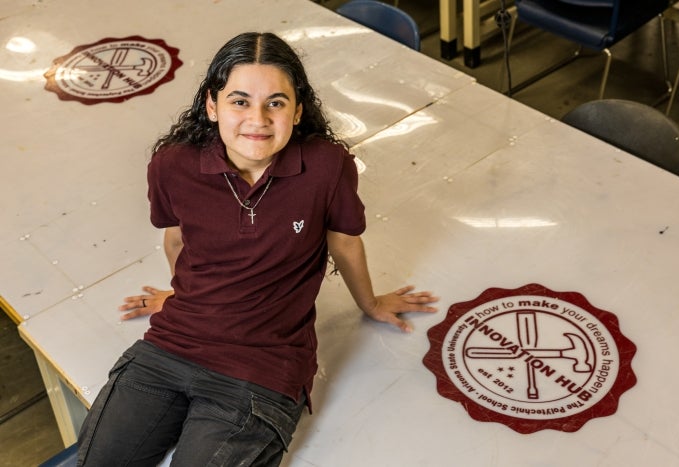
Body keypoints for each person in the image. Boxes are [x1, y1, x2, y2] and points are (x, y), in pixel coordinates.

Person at [76, 32, 438, 467]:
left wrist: (371, 302)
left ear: (298, 110)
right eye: (240, 101)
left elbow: (344, 242)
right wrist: (184, 294)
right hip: (169, 348)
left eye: (277, 103)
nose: (258, 119)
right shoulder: (173, 165)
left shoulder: (326, 166)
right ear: (212, 105)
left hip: (261, 370)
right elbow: (177, 238)